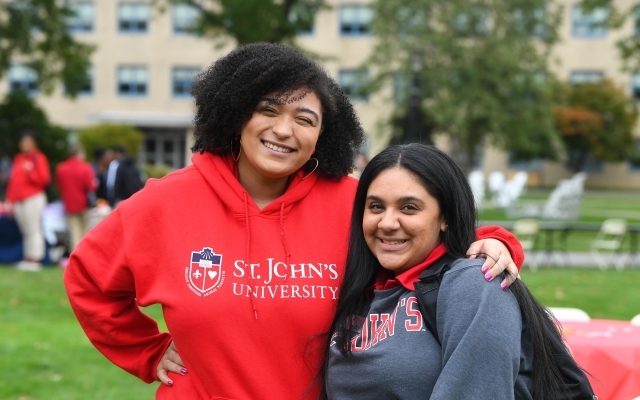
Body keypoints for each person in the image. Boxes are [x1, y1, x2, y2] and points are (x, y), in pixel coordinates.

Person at [64, 43, 523, 399]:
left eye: (305, 119)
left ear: (323, 134)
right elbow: (88, 279)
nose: (284, 130)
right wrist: (148, 351)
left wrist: (495, 240)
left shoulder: (351, 201)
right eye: (268, 110)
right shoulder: (163, 203)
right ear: (236, 115)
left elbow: (423, 233)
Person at [323, 143, 586, 399]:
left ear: (445, 217)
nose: (387, 223)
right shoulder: (359, 286)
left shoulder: (475, 283)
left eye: (409, 208)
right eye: (376, 206)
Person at [5, 129, 51, 271]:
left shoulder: (39, 158)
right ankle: (28, 258)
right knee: (25, 230)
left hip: (33, 198)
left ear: (34, 143)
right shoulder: (19, 158)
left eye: (28, 141)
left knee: (34, 229)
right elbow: (13, 181)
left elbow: (44, 180)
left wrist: (30, 173)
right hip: (19, 200)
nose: (25, 144)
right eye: (23, 141)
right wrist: (10, 200)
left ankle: (35, 259)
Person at [55, 145, 98, 252]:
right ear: (79, 154)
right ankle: (85, 254)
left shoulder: (61, 168)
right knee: (85, 231)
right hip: (83, 203)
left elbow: (59, 186)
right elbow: (91, 186)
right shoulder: (85, 167)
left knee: (74, 232)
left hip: (69, 204)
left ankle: (75, 253)